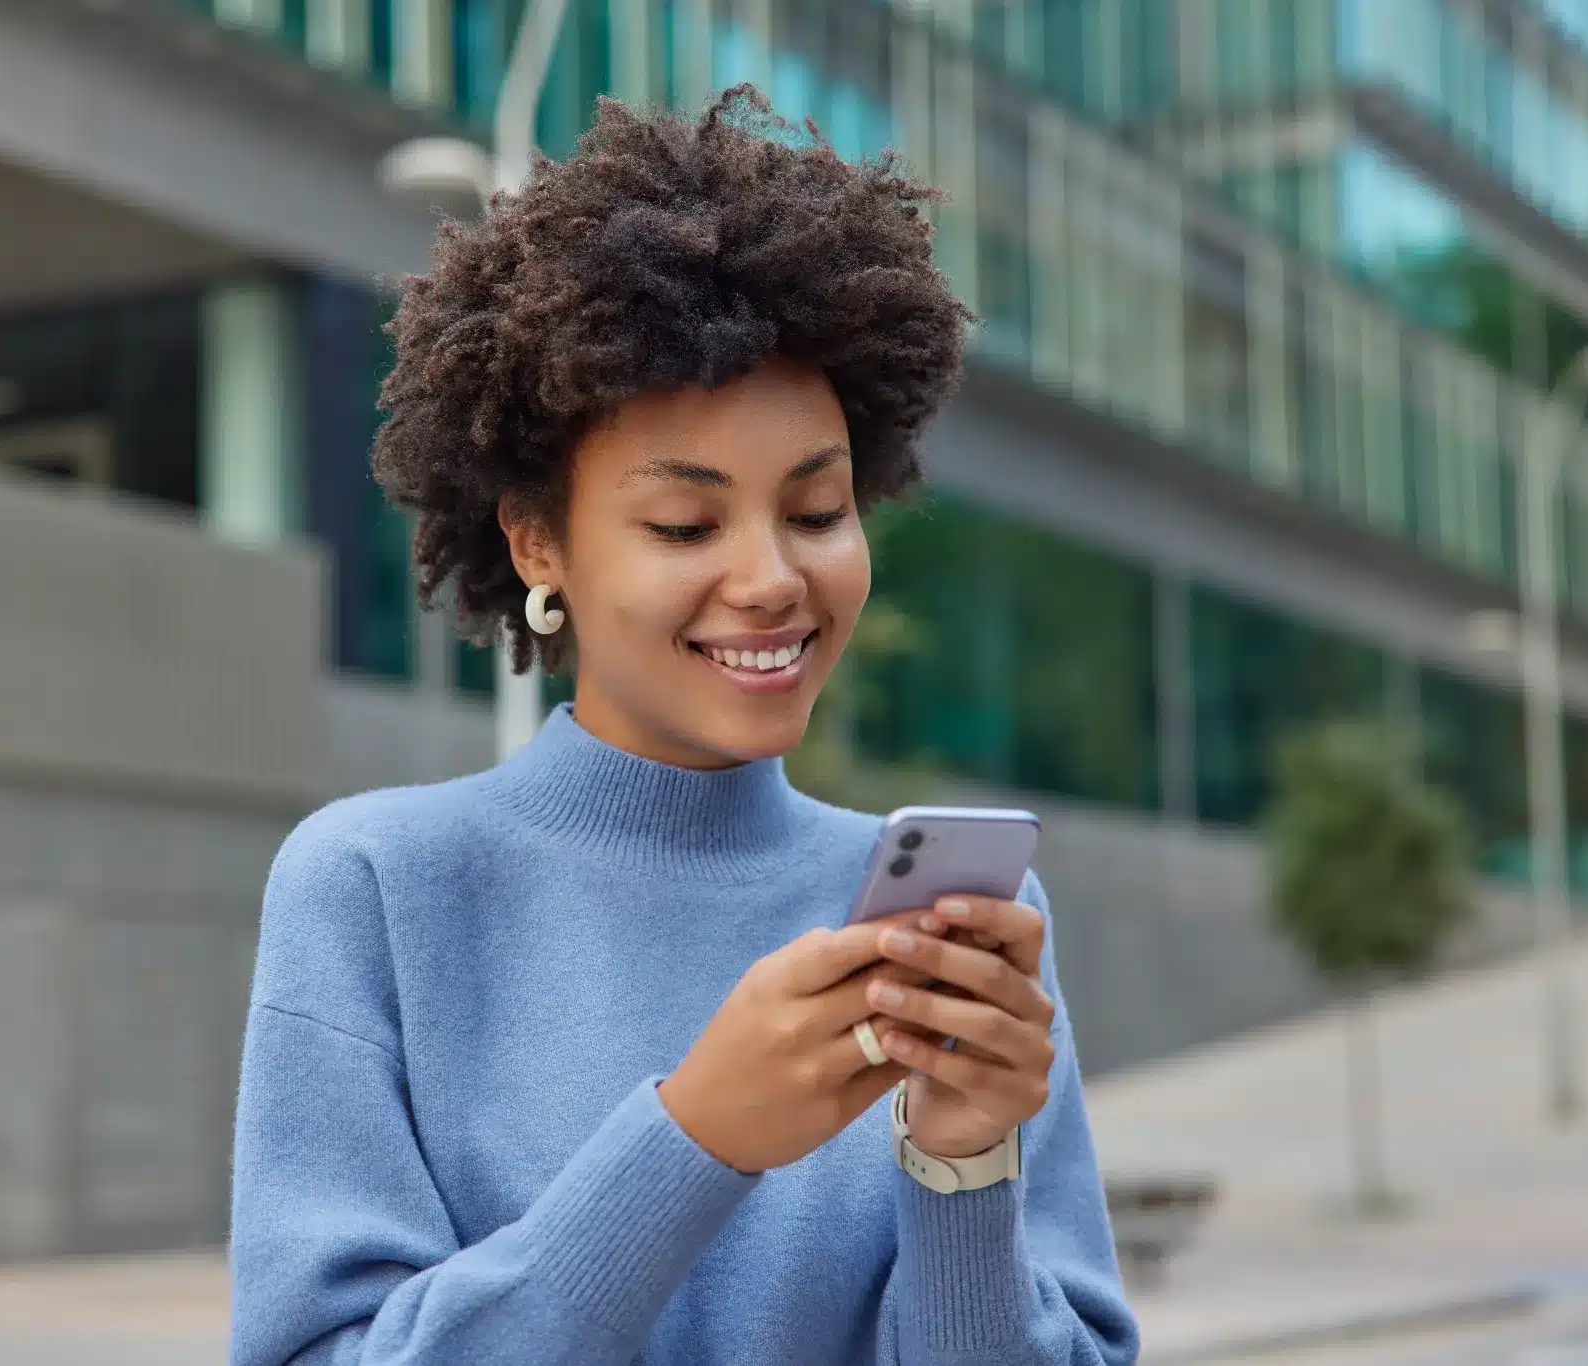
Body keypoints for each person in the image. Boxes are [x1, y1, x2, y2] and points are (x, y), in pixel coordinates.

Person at [229, 86, 1140, 1366]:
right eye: (683, 523)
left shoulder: (946, 924)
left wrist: (962, 1165)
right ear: (537, 540)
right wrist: (695, 1138)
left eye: (815, 512)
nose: (770, 578)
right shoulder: (376, 887)